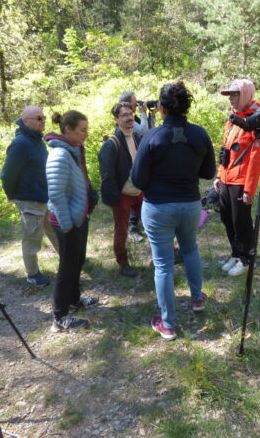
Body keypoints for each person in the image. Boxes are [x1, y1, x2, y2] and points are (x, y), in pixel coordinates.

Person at [131, 82, 216, 340]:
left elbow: (137, 179)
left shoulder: (152, 136)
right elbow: (208, 173)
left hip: (158, 207)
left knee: (164, 265)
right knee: (190, 249)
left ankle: (167, 324)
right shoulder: (200, 134)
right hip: (190, 205)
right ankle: (197, 298)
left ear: (162, 108)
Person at [45, 110, 99, 332]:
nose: (86, 134)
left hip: (77, 218)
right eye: (82, 130)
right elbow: (56, 195)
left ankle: (75, 300)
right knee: (67, 268)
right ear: (68, 130)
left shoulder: (73, 150)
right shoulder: (59, 155)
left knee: (77, 262)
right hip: (65, 222)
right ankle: (59, 318)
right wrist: (67, 225)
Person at [0, 106, 59, 288]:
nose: (43, 121)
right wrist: (11, 195)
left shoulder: (36, 140)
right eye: (39, 118)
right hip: (29, 199)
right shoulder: (20, 144)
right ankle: (32, 274)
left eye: (43, 118)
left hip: (45, 197)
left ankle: (70, 259)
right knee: (32, 238)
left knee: (55, 231)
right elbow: (7, 174)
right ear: (26, 121)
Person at [214, 79, 260, 276]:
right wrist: (219, 174)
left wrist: (249, 189)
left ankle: (245, 259)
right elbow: (226, 149)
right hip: (226, 177)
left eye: (235, 95)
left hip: (241, 181)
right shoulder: (233, 119)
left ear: (245, 95)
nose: (231, 99)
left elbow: (255, 158)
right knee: (227, 218)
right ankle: (235, 253)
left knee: (241, 221)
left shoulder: (254, 120)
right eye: (230, 96)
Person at [98, 102, 144, 277]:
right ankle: (123, 262)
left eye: (130, 113)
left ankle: (169, 253)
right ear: (117, 120)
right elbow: (107, 175)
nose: (129, 117)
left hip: (140, 192)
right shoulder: (112, 144)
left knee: (154, 224)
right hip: (122, 195)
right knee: (121, 230)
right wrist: (114, 198)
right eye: (124, 115)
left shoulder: (138, 138)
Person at [118, 90, 159, 242]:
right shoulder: (127, 118)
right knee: (134, 190)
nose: (138, 103)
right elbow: (141, 130)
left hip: (141, 151)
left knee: (140, 191)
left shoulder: (135, 117)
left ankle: (142, 223)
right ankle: (132, 227)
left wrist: (152, 115)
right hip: (130, 155)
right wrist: (143, 112)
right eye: (135, 101)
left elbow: (150, 131)